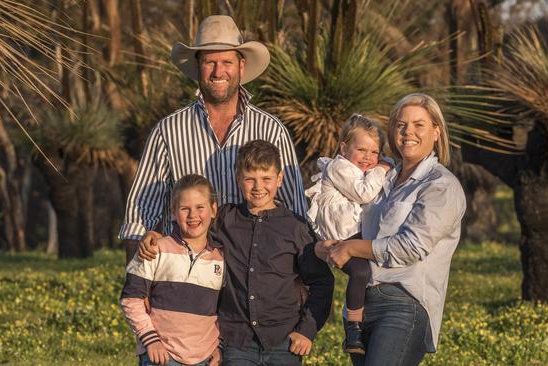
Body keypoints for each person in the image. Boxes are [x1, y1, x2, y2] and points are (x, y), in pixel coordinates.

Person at [119, 15, 307, 263]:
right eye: (210, 62)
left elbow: (295, 211)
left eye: (226, 62)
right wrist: (138, 287)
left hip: (256, 274)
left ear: (241, 66)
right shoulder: (168, 131)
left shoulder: (271, 130)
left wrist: (297, 279)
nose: (219, 71)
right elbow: (140, 214)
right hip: (186, 275)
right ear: (198, 66)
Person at [139, 140, 335, 366]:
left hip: (283, 341)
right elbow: (192, 228)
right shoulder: (225, 220)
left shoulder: (296, 227)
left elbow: (322, 281)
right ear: (238, 179)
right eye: (250, 178)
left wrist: (306, 330)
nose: (258, 186)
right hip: (236, 342)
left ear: (279, 179)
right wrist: (155, 235)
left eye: (266, 179)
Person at [316, 94, 466, 366]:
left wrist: (350, 247)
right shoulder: (379, 178)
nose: (408, 132)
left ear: (436, 132)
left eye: (419, 125)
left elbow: (410, 247)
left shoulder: (441, 185)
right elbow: (347, 221)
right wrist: (324, 246)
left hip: (404, 305)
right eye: (401, 125)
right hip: (362, 303)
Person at [305, 114, 391, 354]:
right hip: (341, 235)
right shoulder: (339, 166)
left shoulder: (358, 169)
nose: (368, 157)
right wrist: (383, 167)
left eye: (375, 152)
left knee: (364, 272)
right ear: (344, 147)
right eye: (361, 149)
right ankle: (353, 328)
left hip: (351, 232)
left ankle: (359, 323)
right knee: (360, 271)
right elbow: (364, 193)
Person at [121, 174, 223, 366]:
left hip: (205, 358)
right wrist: (150, 339)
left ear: (213, 209)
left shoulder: (221, 258)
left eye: (200, 207)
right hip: (161, 355)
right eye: (185, 209)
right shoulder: (154, 249)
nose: (193, 215)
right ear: (173, 213)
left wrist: (220, 347)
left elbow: (228, 309)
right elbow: (131, 298)